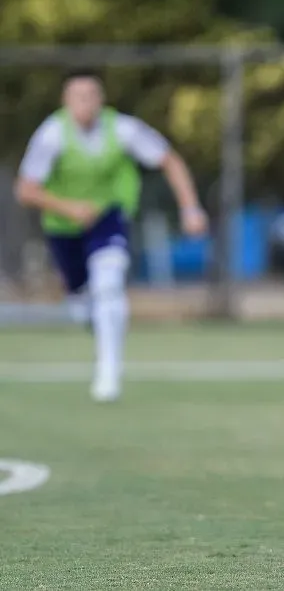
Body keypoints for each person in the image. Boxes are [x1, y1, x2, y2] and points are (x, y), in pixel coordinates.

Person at [15, 69, 208, 403]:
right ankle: (89, 313)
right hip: (64, 228)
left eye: (91, 96)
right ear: (66, 101)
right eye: (78, 97)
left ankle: (108, 372)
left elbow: (170, 161)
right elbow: (26, 190)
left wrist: (190, 209)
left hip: (109, 217)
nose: (85, 104)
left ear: (101, 100)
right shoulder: (51, 135)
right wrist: (68, 208)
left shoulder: (123, 129)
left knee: (109, 284)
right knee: (82, 301)